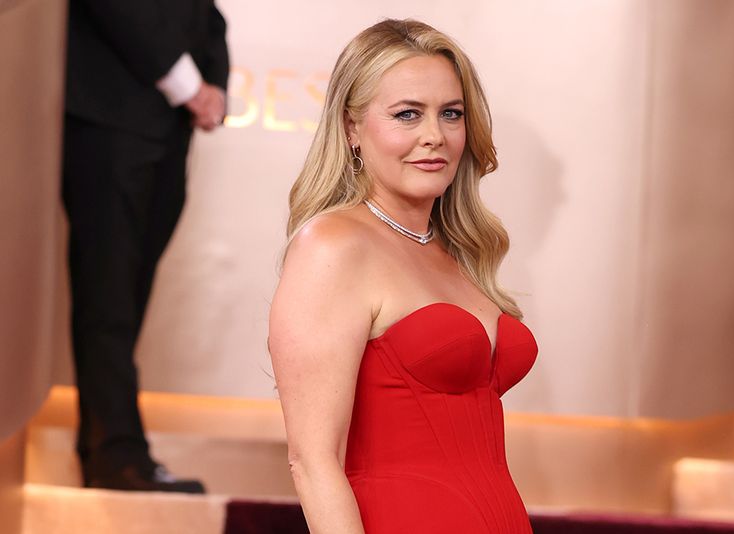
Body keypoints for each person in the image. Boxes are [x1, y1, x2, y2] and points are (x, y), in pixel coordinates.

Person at [269, 19, 538, 533]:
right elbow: (312, 462)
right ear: (351, 128)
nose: (434, 136)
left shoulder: (458, 252)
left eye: (451, 114)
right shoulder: (332, 246)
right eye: (407, 114)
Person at [61, 0, 229, 492]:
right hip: (107, 118)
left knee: (126, 299)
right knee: (107, 299)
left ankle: (103, 446)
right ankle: (118, 457)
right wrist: (190, 86)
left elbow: (206, 13)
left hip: (167, 126)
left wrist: (213, 84)